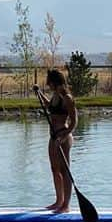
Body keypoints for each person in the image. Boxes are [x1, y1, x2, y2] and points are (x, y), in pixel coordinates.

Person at [37, 69, 77, 213]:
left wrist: (64, 136)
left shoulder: (67, 97)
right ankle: (58, 201)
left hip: (63, 137)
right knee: (55, 169)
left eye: (49, 82)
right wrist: (40, 94)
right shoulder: (55, 95)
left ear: (54, 82)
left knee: (65, 171)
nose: (48, 85)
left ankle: (66, 205)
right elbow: (50, 107)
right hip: (53, 137)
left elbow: (74, 122)